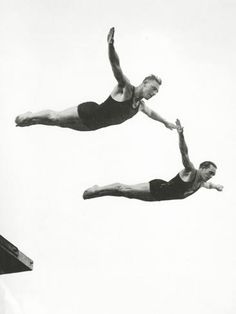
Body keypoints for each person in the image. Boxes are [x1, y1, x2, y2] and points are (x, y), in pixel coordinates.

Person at [15, 27, 176, 132]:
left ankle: (33, 120)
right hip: (89, 112)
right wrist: (111, 46)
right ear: (145, 82)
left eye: (157, 91)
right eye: (154, 88)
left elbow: (153, 114)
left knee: (58, 123)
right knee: (55, 117)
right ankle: (31, 115)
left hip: (91, 126)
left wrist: (166, 122)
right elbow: (116, 66)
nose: (155, 93)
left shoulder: (140, 106)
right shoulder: (126, 88)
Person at [83, 119, 223, 201]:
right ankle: (98, 189)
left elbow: (208, 185)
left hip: (157, 197)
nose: (211, 176)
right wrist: (181, 134)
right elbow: (184, 153)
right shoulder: (191, 172)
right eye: (210, 172)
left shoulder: (200, 182)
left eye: (213, 175)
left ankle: (98, 193)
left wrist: (216, 186)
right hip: (157, 188)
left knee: (125, 194)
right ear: (202, 168)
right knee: (123, 189)